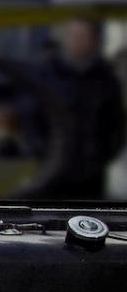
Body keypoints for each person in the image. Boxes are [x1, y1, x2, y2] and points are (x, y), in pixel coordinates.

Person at [19, 18, 125, 201]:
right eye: (74, 36)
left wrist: (102, 157)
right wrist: (42, 152)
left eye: (83, 36)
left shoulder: (105, 79)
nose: (78, 41)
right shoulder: (48, 74)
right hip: (51, 173)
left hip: (91, 177)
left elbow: (116, 123)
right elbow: (31, 118)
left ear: (94, 41)